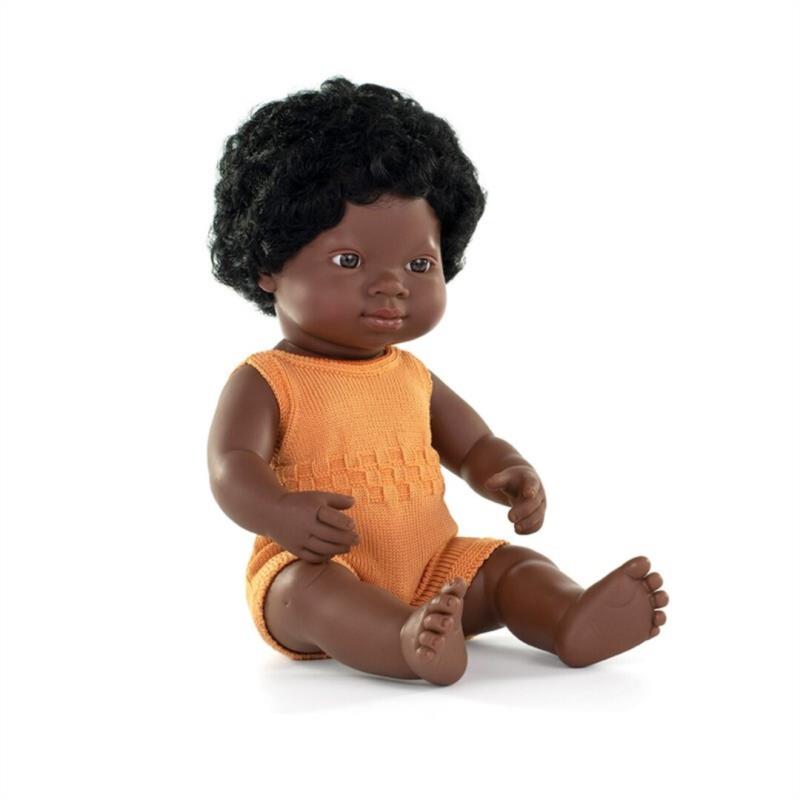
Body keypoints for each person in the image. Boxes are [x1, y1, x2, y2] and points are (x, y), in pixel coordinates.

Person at [206, 77, 668, 686]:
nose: (391, 284)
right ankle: (403, 643)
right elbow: (231, 467)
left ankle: (566, 616)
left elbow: (472, 445)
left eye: (419, 264)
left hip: (433, 570)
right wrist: (278, 511)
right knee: (312, 594)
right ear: (268, 264)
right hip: (315, 565)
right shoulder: (269, 380)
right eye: (349, 261)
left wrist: (505, 470)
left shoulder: (412, 375)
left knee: (510, 567)